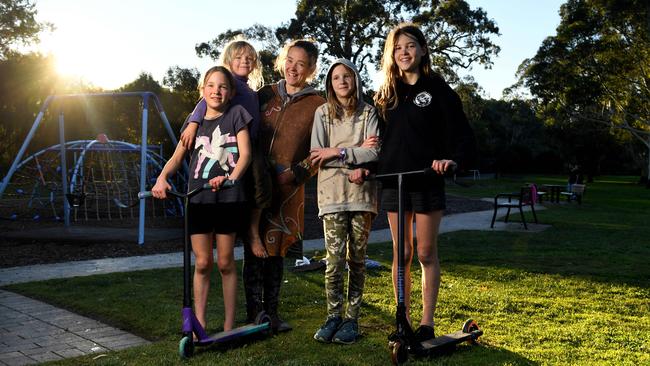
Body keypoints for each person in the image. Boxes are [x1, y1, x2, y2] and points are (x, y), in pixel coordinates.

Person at [373, 23, 477, 341]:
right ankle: (400, 318)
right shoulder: (385, 94)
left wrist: (451, 159)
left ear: (422, 50)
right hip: (394, 181)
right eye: (398, 47)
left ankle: (426, 322)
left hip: (426, 180)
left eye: (410, 46)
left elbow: (461, 135)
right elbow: (375, 141)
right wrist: (364, 165)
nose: (404, 52)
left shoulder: (438, 90)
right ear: (392, 54)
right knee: (400, 252)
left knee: (425, 252)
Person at [152, 66, 252, 333]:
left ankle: (230, 324)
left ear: (230, 92)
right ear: (202, 90)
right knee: (204, 262)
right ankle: (200, 323)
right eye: (210, 85)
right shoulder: (193, 123)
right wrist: (162, 178)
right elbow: (177, 157)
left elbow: (245, 155)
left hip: (228, 198)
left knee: (225, 262)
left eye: (222, 86)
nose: (216, 91)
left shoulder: (237, 115)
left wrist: (231, 177)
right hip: (198, 199)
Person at [246, 39, 325, 331]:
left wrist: (293, 174)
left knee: (275, 250)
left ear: (311, 69)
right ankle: (253, 314)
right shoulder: (263, 95)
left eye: (301, 63)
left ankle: (272, 314)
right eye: (289, 60)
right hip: (255, 185)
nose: (293, 67)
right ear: (282, 60)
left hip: (289, 189)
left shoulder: (319, 104)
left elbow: (320, 152)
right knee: (253, 247)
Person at [179, 39, 271, 263]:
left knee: (262, 183)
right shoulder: (229, 85)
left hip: (251, 141)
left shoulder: (249, 89)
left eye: (249, 58)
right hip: (234, 141)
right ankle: (248, 231)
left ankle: (252, 228)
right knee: (257, 179)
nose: (244, 61)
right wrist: (193, 123)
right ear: (229, 61)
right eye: (238, 58)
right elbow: (203, 103)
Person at [309, 59, 380, 344]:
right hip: (332, 195)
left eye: (346, 76)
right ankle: (333, 316)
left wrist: (335, 153)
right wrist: (352, 153)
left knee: (358, 260)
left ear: (355, 80)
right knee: (334, 261)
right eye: (336, 77)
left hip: (362, 196)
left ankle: (352, 319)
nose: (341, 81)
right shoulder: (322, 114)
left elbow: (374, 154)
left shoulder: (368, 113)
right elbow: (316, 155)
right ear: (330, 83)